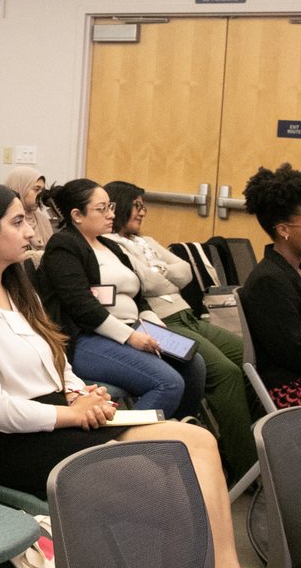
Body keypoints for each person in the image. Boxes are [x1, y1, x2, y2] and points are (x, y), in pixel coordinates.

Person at [0, 183, 241, 567]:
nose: (30, 231)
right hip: (17, 445)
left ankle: (224, 563)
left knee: (198, 441)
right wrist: (73, 413)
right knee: (169, 480)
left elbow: (58, 361)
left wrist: (79, 392)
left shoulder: (18, 293)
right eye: (17, 222)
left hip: (58, 421)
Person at [104, 180, 256, 479]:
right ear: (119, 206)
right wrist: (163, 274)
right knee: (225, 373)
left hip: (189, 316)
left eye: (143, 206)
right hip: (160, 323)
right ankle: (247, 467)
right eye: (137, 206)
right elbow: (145, 283)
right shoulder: (111, 245)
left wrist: (160, 271)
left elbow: (185, 271)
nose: (143, 212)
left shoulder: (146, 241)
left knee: (249, 356)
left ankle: (242, 442)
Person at [38, 179, 204, 419]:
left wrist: (154, 325)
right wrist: (131, 337)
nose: (111, 215)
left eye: (111, 207)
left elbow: (138, 296)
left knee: (194, 366)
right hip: (86, 339)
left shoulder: (110, 245)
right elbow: (81, 305)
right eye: (102, 209)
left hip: (130, 329)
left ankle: (175, 430)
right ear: (77, 215)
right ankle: (121, 441)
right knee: (168, 383)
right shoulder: (64, 245)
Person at [241, 163, 301, 407]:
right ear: (284, 230)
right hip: (288, 387)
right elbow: (295, 352)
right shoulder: (268, 281)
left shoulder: (291, 270)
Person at [4, 166, 55, 257]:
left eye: (42, 190)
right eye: (36, 189)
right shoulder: (5, 220)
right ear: (19, 188)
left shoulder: (44, 221)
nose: (41, 195)